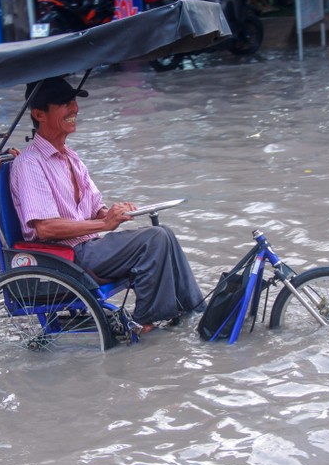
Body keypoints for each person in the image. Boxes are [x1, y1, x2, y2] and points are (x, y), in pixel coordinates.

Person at [10, 76, 205, 334]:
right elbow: (45, 228)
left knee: (164, 233)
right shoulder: (30, 164)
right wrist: (104, 223)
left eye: (74, 102)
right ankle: (145, 322)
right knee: (155, 239)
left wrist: (115, 213)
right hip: (65, 257)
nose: (74, 109)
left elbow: (94, 210)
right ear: (39, 114)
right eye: (64, 104)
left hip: (89, 247)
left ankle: (195, 311)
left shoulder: (71, 157)